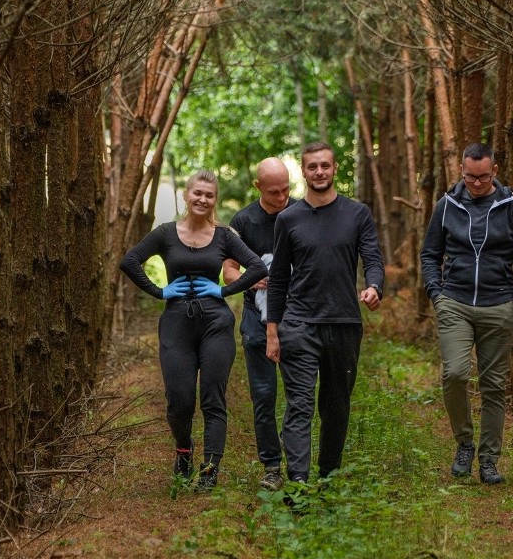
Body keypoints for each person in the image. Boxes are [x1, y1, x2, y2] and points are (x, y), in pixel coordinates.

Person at [120, 169, 267, 491]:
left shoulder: (225, 235)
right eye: (197, 193)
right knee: (179, 399)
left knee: (213, 398)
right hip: (175, 323)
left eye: (209, 195)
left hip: (215, 322)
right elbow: (130, 261)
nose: (202, 199)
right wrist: (160, 292)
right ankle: (183, 453)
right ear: (187, 195)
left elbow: (257, 266)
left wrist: (222, 292)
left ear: (214, 200)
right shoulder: (165, 233)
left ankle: (210, 468)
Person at [420, 142, 513, 485]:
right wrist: (436, 294)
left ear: (495, 172)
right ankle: (464, 444)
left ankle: (489, 461)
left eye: (483, 177)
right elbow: (429, 254)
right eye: (470, 176)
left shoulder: (512, 206)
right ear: (462, 171)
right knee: (455, 375)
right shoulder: (446, 206)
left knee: (492, 387)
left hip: (498, 305)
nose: (476, 183)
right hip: (454, 303)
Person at [265, 142, 385, 484]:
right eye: (312, 166)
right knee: (299, 405)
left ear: (334, 170)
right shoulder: (288, 219)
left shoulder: (357, 213)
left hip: (344, 322)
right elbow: (278, 280)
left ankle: (328, 477)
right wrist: (273, 331)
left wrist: (374, 286)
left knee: (335, 408)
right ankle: (298, 483)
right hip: (299, 324)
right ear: (303, 172)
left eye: (325, 166)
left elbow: (373, 259)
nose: (319, 172)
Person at [222, 158, 296, 493]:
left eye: (286, 189)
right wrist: (253, 281)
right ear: (258, 188)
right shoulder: (243, 220)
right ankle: (270, 466)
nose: (282, 197)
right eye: (274, 192)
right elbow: (229, 271)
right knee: (264, 395)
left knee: (299, 395)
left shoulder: (301, 212)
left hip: (297, 317)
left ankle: (297, 461)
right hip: (256, 318)